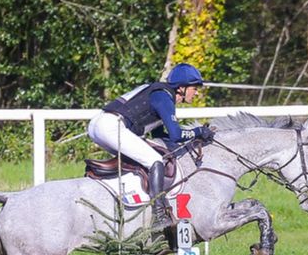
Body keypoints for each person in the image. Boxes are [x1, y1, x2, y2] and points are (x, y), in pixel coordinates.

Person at [87, 62, 215, 230]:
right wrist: (198, 132)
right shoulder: (164, 97)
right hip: (111, 126)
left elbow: (160, 135)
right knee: (155, 160)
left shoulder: (161, 95)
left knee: (142, 157)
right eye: (194, 88)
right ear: (181, 88)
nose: (196, 93)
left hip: (100, 125)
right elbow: (176, 135)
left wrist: (192, 138)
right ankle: (159, 215)